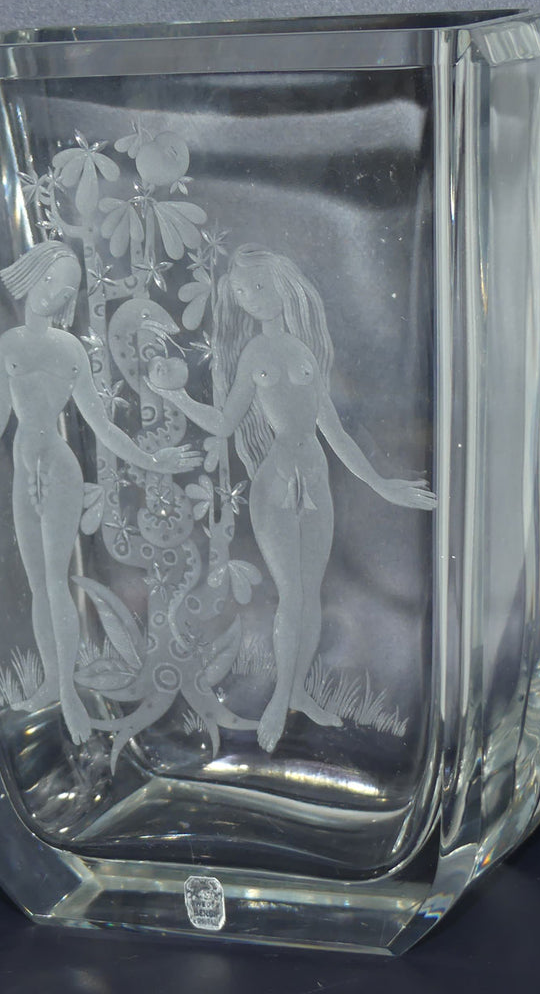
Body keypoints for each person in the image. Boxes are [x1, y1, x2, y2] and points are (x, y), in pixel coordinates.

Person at [149, 244, 436, 753]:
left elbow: (336, 432)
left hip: (315, 477)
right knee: (292, 593)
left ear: (283, 285)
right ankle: (280, 699)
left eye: (260, 286)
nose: (252, 297)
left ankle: (298, 690)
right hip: (276, 480)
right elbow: (225, 423)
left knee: (311, 592)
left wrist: (381, 484)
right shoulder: (254, 355)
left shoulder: (307, 351)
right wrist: (177, 396)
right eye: (242, 291)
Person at [0, 241, 200, 743]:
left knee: (56, 581)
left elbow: (101, 425)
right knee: (38, 584)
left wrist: (151, 460)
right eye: (50, 281)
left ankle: (69, 693)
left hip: (60, 467)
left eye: (67, 289)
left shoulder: (70, 350)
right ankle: (53, 681)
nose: (54, 295)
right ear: (32, 275)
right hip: (22, 469)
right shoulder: (7, 345)